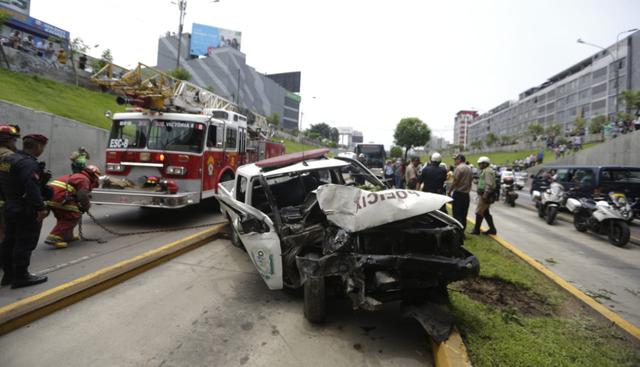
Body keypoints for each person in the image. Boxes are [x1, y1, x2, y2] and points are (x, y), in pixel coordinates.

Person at [0, 134, 51, 288]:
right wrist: (40, 208)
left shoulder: (8, 160)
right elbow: (32, 188)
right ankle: (21, 276)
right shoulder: (29, 164)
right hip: (25, 210)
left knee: (9, 241)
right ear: (38, 147)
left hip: (10, 206)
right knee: (25, 243)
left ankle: (8, 275)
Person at [45, 165, 101, 248]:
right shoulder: (84, 180)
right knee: (72, 216)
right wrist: (86, 206)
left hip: (51, 196)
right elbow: (82, 195)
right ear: (93, 175)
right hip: (60, 197)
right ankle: (53, 237)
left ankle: (67, 236)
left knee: (64, 216)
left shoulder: (78, 176)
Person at [0, 125, 22, 243]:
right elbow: (8, 178)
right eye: (14, 140)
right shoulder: (8, 156)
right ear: (7, 140)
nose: (15, 143)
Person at [471, 156, 497, 235]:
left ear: (485, 164)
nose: (479, 165)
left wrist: (485, 195)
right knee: (485, 212)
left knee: (479, 212)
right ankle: (492, 229)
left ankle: (476, 230)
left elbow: (488, 184)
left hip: (485, 195)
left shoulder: (487, 171)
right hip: (484, 194)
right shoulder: (486, 170)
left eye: (481, 164)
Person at [448, 154, 473, 231]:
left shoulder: (458, 168)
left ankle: (458, 232)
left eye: (455, 159)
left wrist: (449, 191)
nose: (454, 161)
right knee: (463, 214)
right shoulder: (469, 168)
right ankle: (462, 231)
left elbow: (455, 181)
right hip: (466, 194)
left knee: (457, 214)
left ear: (460, 159)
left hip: (458, 193)